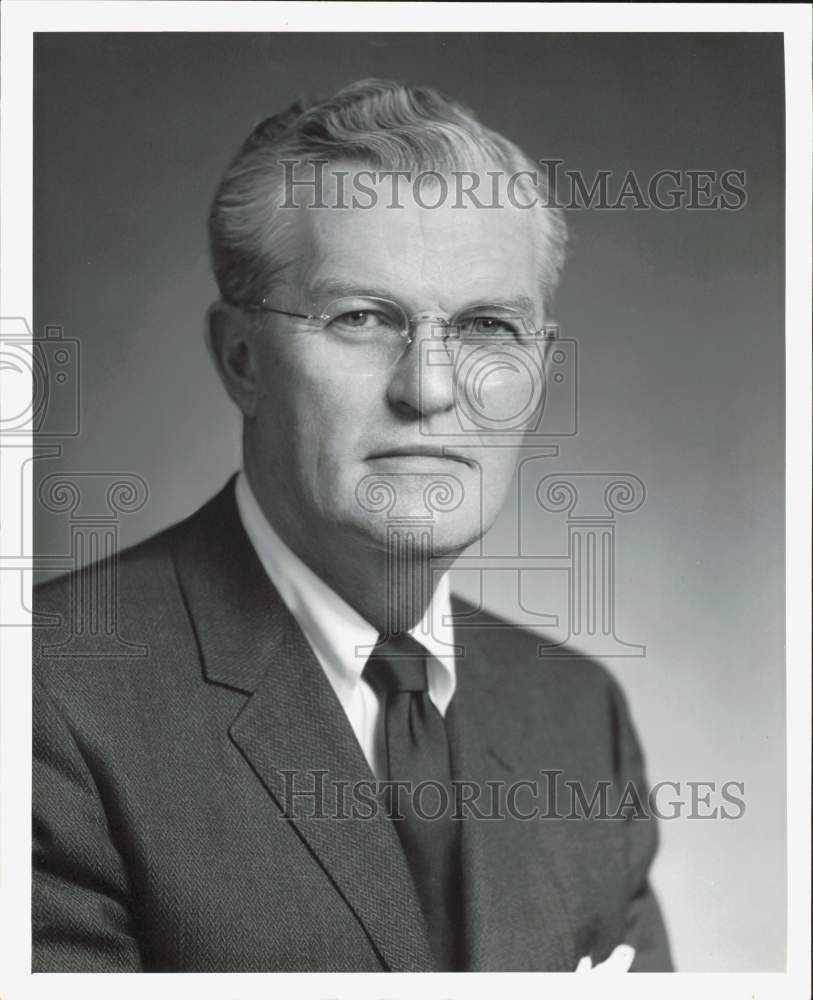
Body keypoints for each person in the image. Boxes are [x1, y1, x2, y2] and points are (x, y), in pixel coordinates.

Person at [32, 78, 673, 972]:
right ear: (241, 357)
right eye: (364, 317)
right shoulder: (43, 699)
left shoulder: (577, 716)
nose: (430, 389)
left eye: (489, 326)